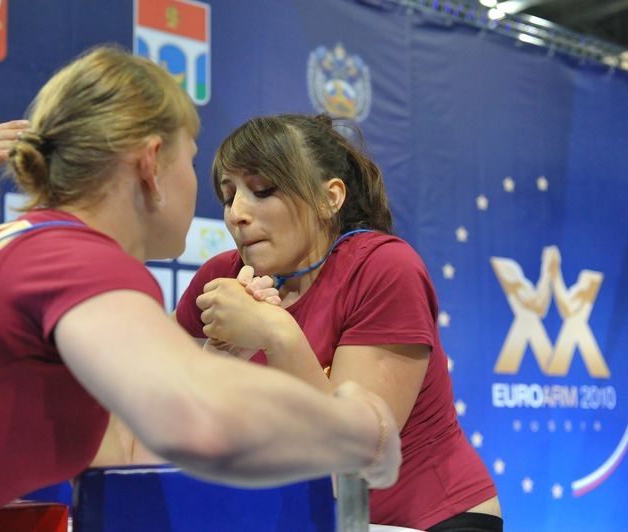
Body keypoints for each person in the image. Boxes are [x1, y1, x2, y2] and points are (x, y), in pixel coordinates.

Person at [0, 47, 401, 530]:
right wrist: (356, 428)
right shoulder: (70, 256)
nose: (223, 207)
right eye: (194, 160)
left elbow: (129, 452)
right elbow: (199, 421)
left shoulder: (27, 247)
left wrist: (205, 361)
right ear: (151, 164)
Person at [174, 114, 502, 531]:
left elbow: (357, 459)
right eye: (228, 195)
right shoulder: (222, 278)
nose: (236, 213)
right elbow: (147, 403)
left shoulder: (385, 268)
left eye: (262, 190)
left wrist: (276, 333)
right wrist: (211, 362)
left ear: (331, 197)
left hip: (428, 519)